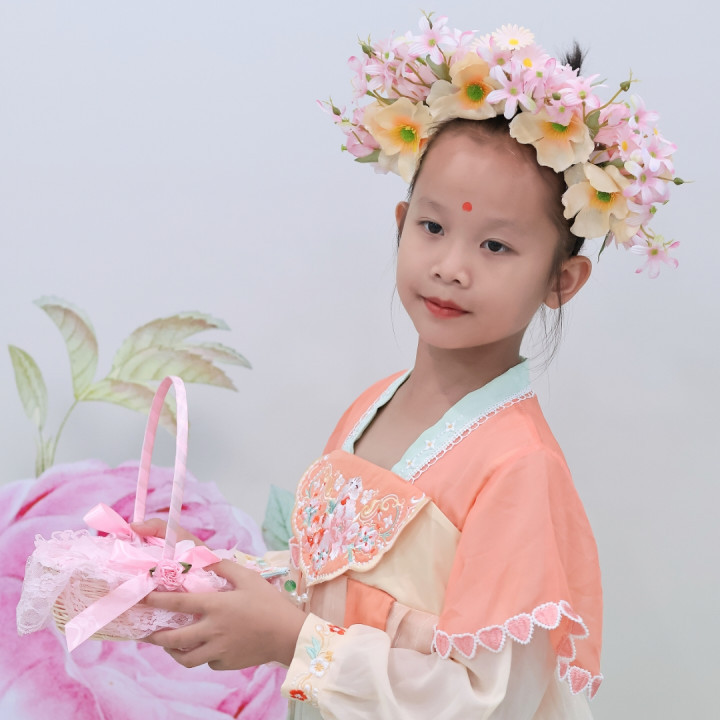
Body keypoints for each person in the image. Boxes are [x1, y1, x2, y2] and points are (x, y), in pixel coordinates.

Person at [134, 17, 679, 719]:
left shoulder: (519, 468)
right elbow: (334, 586)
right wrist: (206, 571)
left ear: (561, 281)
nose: (450, 266)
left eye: (494, 246)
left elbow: (485, 698)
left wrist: (295, 643)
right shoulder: (373, 404)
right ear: (400, 222)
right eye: (432, 227)